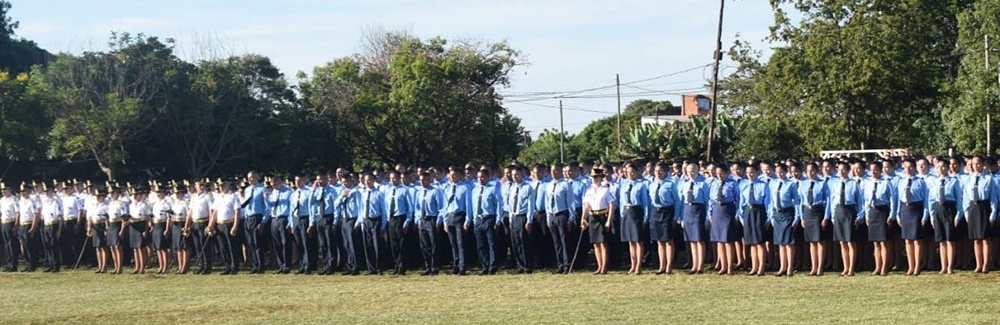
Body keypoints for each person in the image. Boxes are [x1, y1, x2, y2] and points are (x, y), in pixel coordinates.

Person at [826, 160, 865, 276]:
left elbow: (860, 201)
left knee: (850, 242)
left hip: (849, 211)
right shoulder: (835, 184)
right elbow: (832, 201)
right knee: (842, 242)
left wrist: (859, 216)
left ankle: (852, 268)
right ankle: (845, 267)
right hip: (839, 212)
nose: (841, 171)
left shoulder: (854, 183)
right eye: (839, 169)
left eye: (844, 169)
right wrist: (833, 216)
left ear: (848, 170)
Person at [893, 159, 929, 276]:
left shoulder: (920, 182)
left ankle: (917, 266)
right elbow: (898, 199)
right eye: (905, 167)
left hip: (916, 210)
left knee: (917, 240)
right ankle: (910, 266)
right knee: (907, 240)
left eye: (910, 167)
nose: (907, 170)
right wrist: (897, 215)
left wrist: (925, 214)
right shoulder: (901, 181)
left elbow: (926, 200)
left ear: (914, 168)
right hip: (905, 210)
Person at [962, 156, 997, 274]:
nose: (975, 166)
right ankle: (978, 264)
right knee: (976, 239)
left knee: (985, 238)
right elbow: (965, 197)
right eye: (973, 164)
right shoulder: (968, 179)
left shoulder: (988, 179)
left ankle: (986, 264)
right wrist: (966, 212)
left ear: (983, 165)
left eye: (978, 164)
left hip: (984, 207)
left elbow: (993, 198)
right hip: (973, 208)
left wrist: (993, 214)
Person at [927, 158, 962, 274]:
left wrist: (958, 215)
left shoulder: (954, 181)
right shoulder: (934, 182)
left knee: (950, 239)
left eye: (943, 167)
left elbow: (959, 199)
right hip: (938, 209)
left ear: (947, 168)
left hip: (949, 209)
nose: (940, 169)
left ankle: (950, 266)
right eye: (937, 167)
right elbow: (931, 200)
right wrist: (932, 216)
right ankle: (943, 266)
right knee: (941, 240)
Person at [678, 162, 711, 274]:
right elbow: (681, 202)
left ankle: (700, 266)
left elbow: (708, 202)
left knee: (699, 239)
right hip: (687, 210)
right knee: (691, 240)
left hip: (698, 210)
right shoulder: (685, 183)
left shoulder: (703, 184)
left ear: (697, 171)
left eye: (693, 171)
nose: (691, 173)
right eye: (688, 171)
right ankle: (694, 265)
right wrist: (681, 218)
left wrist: (707, 218)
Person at [648, 162, 680, 275]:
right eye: (656, 171)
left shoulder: (671, 184)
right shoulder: (652, 184)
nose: (658, 173)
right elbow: (649, 201)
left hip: (667, 212)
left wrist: (676, 217)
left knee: (668, 240)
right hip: (655, 211)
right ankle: (661, 266)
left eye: (660, 171)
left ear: (666, 171)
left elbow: (677, 201)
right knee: (659, 241)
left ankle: (669, 267)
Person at [738, 164, 770, 276]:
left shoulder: (763, 185)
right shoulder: (743, 185)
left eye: (752, 172)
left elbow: (768, 202)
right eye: (747, 173)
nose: (750, 175)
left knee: (759, 242)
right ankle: (754, 266)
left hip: (759, 211)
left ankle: (761, 267)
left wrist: (768, 218)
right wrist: (741, 216)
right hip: (748, 212)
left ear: (757, 172)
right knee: (751, 242)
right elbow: (741, 202)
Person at [618, 162, 649, 275]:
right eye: (628, 172)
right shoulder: (624, 184)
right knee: (630, 241)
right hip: (626, 212)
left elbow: (645, 203)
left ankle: (639, 266)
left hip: (636, 212)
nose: (630, 174)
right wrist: (622, 214)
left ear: (636, 173)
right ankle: (632, 264)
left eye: (632, 172)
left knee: (638, 241)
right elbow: (621, 201)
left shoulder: (641, 185)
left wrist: (645, 217)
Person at [546, 163, 577, 274]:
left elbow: (570, 202)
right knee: (556, 242)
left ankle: (567, 265)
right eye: (552, 171)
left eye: (556, 171)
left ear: (560, 172)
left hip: (562, 215)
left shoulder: (565, 184)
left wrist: (571, 218)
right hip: (552, 215)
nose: (553, 173)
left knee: (564, 241)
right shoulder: (549, 185)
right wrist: (548, 217)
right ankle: (560, 264)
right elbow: (547, 202)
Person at [582, 168, 615, 274]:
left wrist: (608, 221)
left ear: (601, 178)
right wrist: (583, 218)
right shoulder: (589, 190)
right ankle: (599, 266)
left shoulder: (605, 190)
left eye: (596, 177)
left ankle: (604, 267)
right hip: (593, 217)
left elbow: (612, 205)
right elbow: (586, 205)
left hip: (602, 216)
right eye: (592, 177)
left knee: (603, 243)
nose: (594, 179)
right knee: (595, 243)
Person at [769, 164, 799, 277]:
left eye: (781, 172)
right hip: (777, 214)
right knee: (780, 243)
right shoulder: (773, 183)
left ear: (786, 172)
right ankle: (783, 267)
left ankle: (790, 268)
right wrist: (771, 216)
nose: (779, 174)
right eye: (777, 172)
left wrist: (797, 217)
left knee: (788, 243)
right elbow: (771, 201)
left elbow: (796, 201)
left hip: (787, 213)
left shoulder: (791, 184)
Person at [799, 162, 829, 276]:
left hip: (818, 211)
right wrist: (801, 216)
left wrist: (826, 217)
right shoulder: (803, 184)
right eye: (807, 171)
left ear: (817, 171)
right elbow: (800, 201)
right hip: (807, 212)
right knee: (812, 241)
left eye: (812, 171)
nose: (810, 173)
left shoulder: (822, 183)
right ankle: (814, 267)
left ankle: (820, 267)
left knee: (820, 241)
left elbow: (828, 200)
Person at [471, 169, 503, 275]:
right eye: (478, 177)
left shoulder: (493, 189)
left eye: (482, 177)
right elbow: (473, 206)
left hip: (489, 218)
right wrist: (474, 219)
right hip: (478, 220)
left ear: (487, 177)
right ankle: (484, 266)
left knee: (491, 244)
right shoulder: (475, 190)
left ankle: (492, 266)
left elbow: (498, 205)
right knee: (481, 245)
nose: (480, 179)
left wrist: (498, 221)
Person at [413, 171, 445, 275]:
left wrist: (438, 221)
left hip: (432, 219)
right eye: (421, 180)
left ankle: (435, 267)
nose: (422, 182)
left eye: (424, 180)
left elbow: (441, 207)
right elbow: (417, 208)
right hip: (422, 220)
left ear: (430, 180)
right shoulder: (419, 192)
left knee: (434, 245)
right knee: (424, 245)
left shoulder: (435, 191)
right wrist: (417, 220)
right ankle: (427, 267)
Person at [442, 167, 472, 275]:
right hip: (450, 216)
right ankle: (455, 265)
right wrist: (445, 221)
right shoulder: (446, 188)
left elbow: (468, 205)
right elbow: (444, 206)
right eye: (450, 175)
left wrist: (468, 220)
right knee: (453, 244)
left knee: (460, 244)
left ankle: (462, 267)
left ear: (459, 176)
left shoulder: (465, 187)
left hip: (460, 216)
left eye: (454, 175)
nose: (452, 177)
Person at [354, 173, 387, 275]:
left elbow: (384, 210)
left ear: (373, 181)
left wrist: (383, 225)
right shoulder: (362, 193)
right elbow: (361, 210)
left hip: (376, 220)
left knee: (377, 245)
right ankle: (371, 268)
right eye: (365, 180)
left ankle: (379, 268)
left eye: (369, 180)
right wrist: (359, 223)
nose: (367, 182)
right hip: (366, 221)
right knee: (368, 245)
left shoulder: (379, 194)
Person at [506, 165, 535, 274]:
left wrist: (529, 220)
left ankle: (528, 266)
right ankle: (520, 266)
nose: (514, 177)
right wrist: (510, 219)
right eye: (513, 175)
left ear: (522, 175)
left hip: (523, 217)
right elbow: (510, 205)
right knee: (516, 243)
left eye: (516, 174)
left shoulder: (528, 187)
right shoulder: (512, 187)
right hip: (514, 217)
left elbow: (530, 205)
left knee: (524, 243)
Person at [208, 180, 241, 275]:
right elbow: (215, 212)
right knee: (223, 247)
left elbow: (237, 212)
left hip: (229, 223)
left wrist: (235, 226)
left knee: (231, 246)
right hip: (219, 224)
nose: (221, 187)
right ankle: (227, 266)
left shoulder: (233, 196)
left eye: (223, 185)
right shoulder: (218, 197)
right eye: (219, 186)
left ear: (227, 185)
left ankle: (234, 267)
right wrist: (211, 225)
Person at [383, 171, 412, 275]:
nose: (392, 180)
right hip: (391, 219)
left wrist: (407, 221)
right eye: (391, 178)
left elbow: (410, 207)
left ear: (399, 178)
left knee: (401, 243)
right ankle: (396, 264)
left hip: (400, 218)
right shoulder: (387, 190)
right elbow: (386, 206)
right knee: (393, 244)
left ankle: (402, 266)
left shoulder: (404, 190)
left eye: (394, 178)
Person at [241, 171, 268, 274]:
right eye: (248, 178)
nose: (250, 180)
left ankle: (261, 266)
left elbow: (266, 207)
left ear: (257, 178)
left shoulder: (262, 189)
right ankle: (254, 265)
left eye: (252, 178)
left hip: (257, 217)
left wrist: (263, 221)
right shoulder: (247, 190)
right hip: (248, 218)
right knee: (250, 243)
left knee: (257, 243)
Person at [290, 174, 318, 274]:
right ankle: (302, 264)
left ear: (303, 181)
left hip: (305, 218)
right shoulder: (293, 194)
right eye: (296, 181)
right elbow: (291, 209)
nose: (297, 183)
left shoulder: (308, 192)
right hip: (296, 219)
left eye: (299, 181)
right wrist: (291, 223)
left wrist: (311, 223)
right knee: (299, 244)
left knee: (306, 243)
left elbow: (312, 209)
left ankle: (308, 265)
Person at [186, 181, 212, 274]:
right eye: (198, 185)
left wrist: (209, 225)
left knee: (204, 245)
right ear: (195, 187)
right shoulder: (193, 197)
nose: (200, 187)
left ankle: (207, 266)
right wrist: (187, 225)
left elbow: (210, 211)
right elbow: (190, 212)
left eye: (202, 185)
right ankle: (201, 265)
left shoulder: (207, 197)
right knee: (197, 246)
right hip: (194, 222)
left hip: (203, 222)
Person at [126, 186, 152, 274]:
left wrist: (146, 230)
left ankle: (142, 267)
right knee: (135, 248)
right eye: (133, 195)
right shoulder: (131, 204)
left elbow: (148, 217)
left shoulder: (144, 204)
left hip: (141, 224)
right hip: (133, 225)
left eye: (136, 194)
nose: (134, 196)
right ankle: (137, 266)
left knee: (141, 248)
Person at [38, 183, 63, 273]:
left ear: (52, 191)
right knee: (47, 246)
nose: (47, 193)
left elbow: (60, 216)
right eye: (45, 191)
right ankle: (50, 264)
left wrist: (59, 230)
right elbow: (43, 215)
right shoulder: (44, 201)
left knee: (54, 246)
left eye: (48, 191)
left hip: (53, 224)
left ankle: (56, 265)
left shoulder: (56, 201)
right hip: (46, 224)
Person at [85, 187, 110, 273]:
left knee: (103, 247)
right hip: (95, 225)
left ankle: (104, 266)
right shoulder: (93, 205)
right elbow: (90, 216)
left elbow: (108, 217)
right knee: (97, 247)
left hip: (102, 225)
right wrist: (89, 227)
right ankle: (99, 266)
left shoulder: (106, 205)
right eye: (98, 196)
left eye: (101, 196)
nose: (100, 198)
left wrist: (107, 227)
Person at [167, 185, 190, 274]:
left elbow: (188, 214)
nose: (176, 195)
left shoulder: (186, 202)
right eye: (176, 193)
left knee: (184, 246)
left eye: (178, 193)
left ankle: (185, 266)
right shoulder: (175, 202)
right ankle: (180, 266)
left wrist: (187, 226)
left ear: (182, 193)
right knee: (178, 247)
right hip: (175, 224)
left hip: (183, 223)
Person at [150, 185, 172, 274]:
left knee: (163, 248)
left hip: (162, 225)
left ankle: (165, 266)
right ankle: (161, 265)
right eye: (157, 193)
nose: (158, 194)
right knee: (158, 248)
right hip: (156, 225)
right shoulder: (155, 203)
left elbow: (168, 218)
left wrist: (167, 229)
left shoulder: (166, 203)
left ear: (163, 193)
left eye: (160, 193)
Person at [107, 186, 129, 274]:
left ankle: (120, 267)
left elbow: (124, 217)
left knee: (117, 246)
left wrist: (122, 229)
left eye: (113, 193)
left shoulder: (121, 203)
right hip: (111, 224)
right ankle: (115, 266)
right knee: (112, 246)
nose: (111, 195)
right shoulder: (110, 203)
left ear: (117, 193)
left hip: (118, 224)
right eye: (111, 193)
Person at [1, 183, 19, 272]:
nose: (3, 191)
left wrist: (16, 225)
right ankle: (8, 263)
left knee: (12, 245)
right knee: (7, 245)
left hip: (11, 222)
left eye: (5, 190)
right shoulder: (2, 200)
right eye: (2, 190)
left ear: (9, 190)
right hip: (4, 223)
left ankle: (13, 264)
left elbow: (17, 213)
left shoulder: (13, 199)